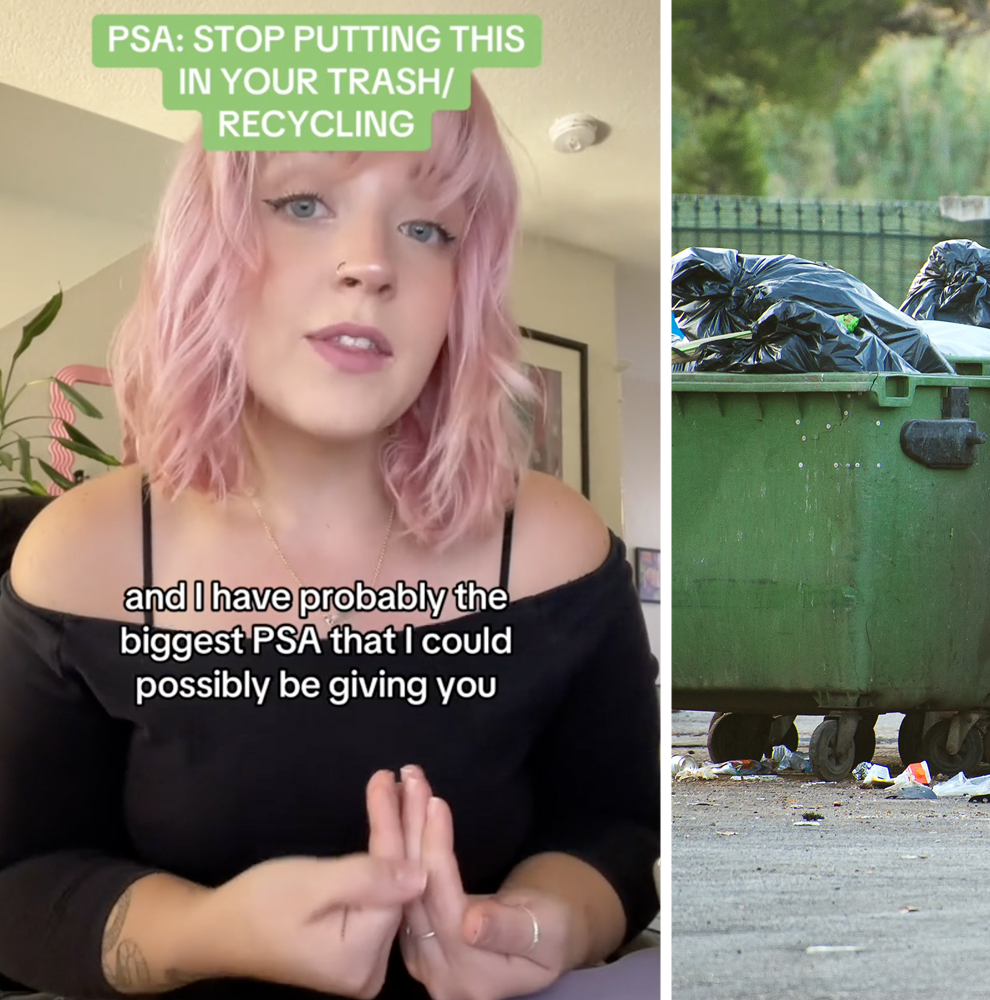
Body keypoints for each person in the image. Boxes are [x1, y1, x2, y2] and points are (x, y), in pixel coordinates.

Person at [0, 77, 660, 999]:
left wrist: (541, 924)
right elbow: (22, 883)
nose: (370, 264)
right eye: (304, 204)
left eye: (427, 228)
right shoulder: (81, 558)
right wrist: (209, 930)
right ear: (209, 245)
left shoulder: (557, 548)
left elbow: (617, 831)